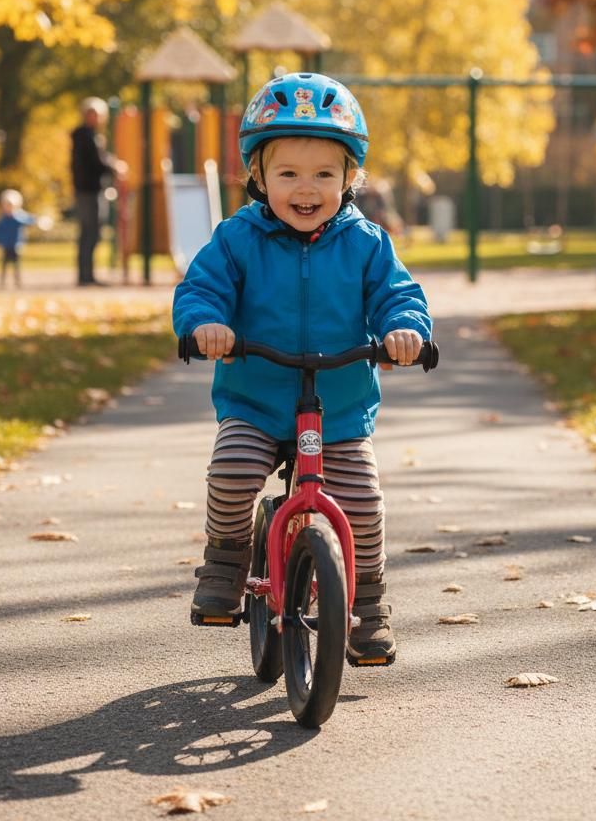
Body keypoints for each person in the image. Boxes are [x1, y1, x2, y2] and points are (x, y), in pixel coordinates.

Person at [172, 72, 432, 666]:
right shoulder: (236, 239)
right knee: (232, 471)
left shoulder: (367, 243)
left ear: (350, 177)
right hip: (256, 400)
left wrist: (405, 331)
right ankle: (226, 559)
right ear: (259, 176)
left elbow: (398, 295)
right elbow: (201, 290)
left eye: (323, 174)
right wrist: (205, 324)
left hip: (338, 407)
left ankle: (368, 605)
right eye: (288, 173)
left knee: (361, 504)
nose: (306, 188)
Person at [71, 97, 120, 287]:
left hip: (91, 190)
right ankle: (85, 275)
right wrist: (114, 167)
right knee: (89, 232)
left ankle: (87, 274)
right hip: (88, 191)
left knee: (92, 233)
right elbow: (96, 162)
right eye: (93, 114)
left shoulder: (91, 136)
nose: (96, 118)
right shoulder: (85, 136)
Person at [0, 189, 36, 289]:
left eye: (10, 205)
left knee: (16, 264)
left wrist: (33, 218)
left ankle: (17, 281)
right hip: (6, 244)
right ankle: (2, 281)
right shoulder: (3, 219)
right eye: (6, 205)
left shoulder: (18, 217)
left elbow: (29, 220)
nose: (8, 208)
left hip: (16, 245)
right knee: (4, 264)